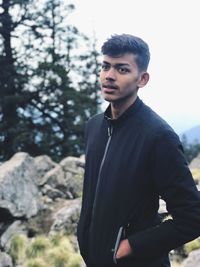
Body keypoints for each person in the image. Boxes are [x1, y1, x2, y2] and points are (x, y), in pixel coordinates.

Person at [77, 34, 200, 267]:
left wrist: (131, 247)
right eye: (105, 67)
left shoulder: (158, 136)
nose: (109, 76)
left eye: (122, 69)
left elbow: (193, 216)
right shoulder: (94, 127)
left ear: (142, 79)